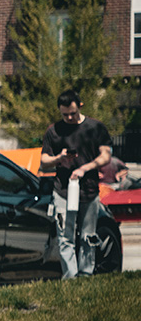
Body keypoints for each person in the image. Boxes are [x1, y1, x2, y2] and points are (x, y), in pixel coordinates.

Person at [41, 89, 113, 278]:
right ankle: (71, 279)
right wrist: (59, 158)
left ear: (80, 106)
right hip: (62, 191)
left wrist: (85, 168)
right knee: (65, 236)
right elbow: (44, 161)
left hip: (89, 191)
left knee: (88, 236)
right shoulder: (53, 131)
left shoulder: (95, 128)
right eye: (65, 114)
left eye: (73, 113)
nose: (69, 117)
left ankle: (86, 275)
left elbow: (106, 156)